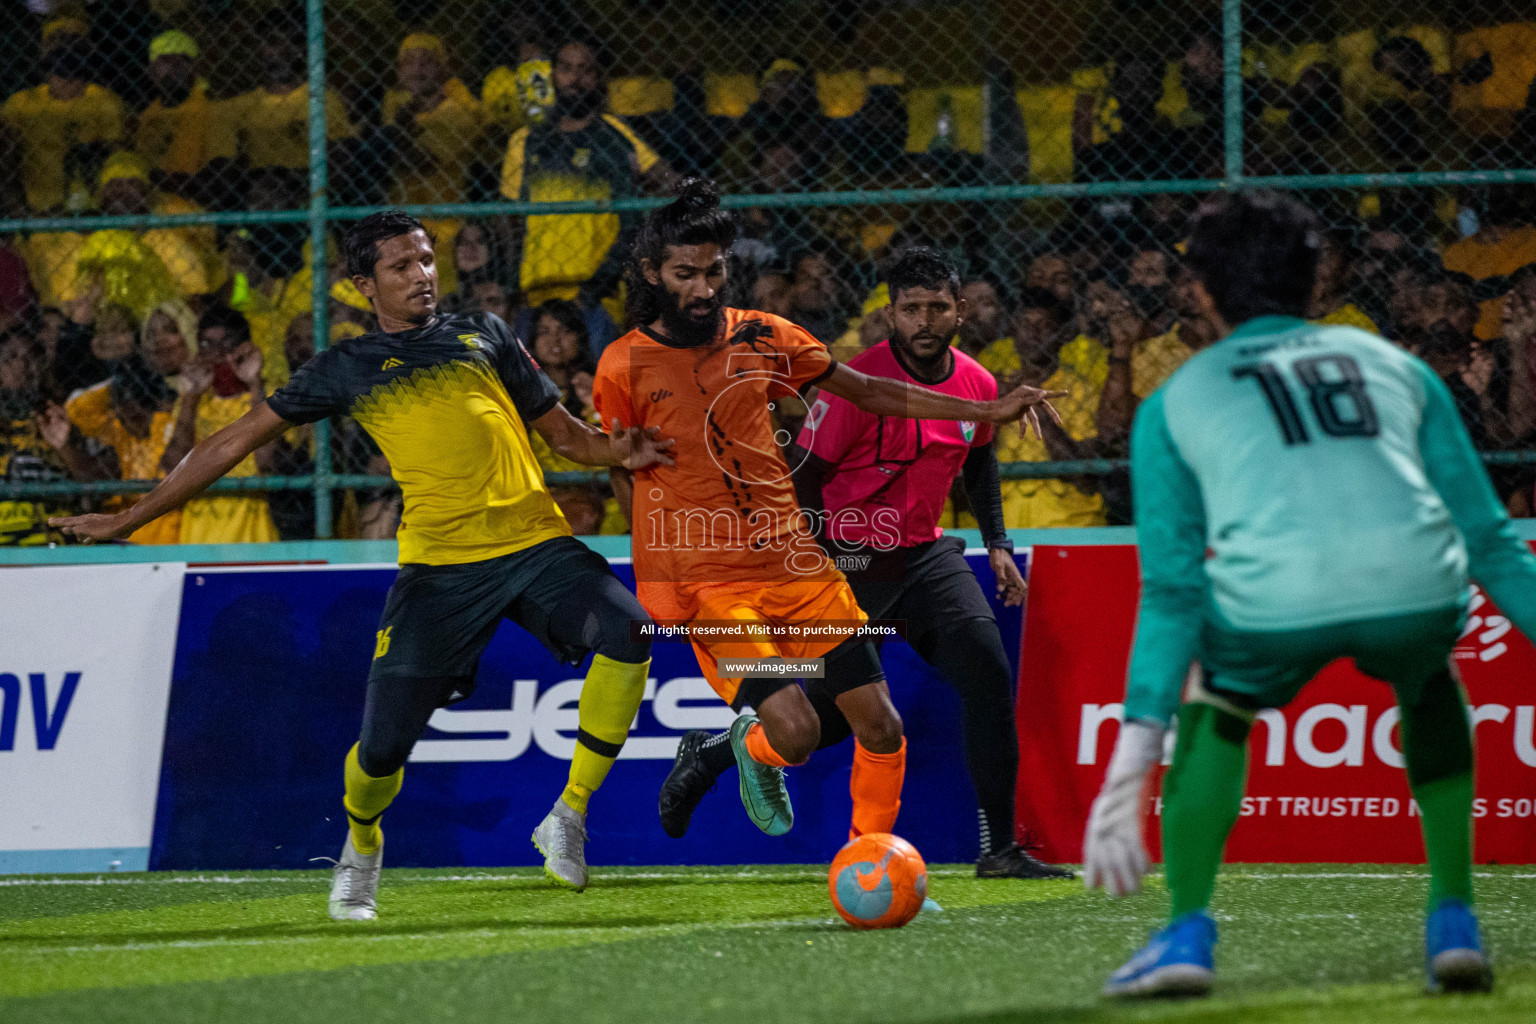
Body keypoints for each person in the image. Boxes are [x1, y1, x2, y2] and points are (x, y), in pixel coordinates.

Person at [51, 210, 674, 918]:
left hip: (535, 545)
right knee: (380, 752)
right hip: (439, 571)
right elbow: (232, 442)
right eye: (402, 266)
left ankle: (568, 813)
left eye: (427, 260)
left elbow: (566, 437)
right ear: (362, 284)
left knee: (631, 636)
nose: (423, 276)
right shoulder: (346, 367)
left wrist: (619, 450)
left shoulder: (485, 334)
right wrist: (132, 516)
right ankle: (362, 845)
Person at [1081, 190, 1534, 997]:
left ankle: (1187, 931)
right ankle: (1454, 918)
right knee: (1429, 680)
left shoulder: (1175, 401)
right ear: (1316, 278)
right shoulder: (1399, 366)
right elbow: (1493, 541)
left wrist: (1133, 755)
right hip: (1416, 587)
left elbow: (1175, 589)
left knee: (1215, 701)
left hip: (1272, 604)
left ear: (1204, 292)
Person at [593, 179, 1060, 848]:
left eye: (715, 271)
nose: (703, 288)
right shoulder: (623, 364)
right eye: (685, 274)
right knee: (800, 730)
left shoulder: (763, 334)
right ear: (651, 273)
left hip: (796, 566)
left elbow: (868, 391)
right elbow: (621, 465)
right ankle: (730, 753)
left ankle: (870, 863)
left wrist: (987, 410)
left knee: (881, 725)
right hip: (710, 583)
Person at [500, 37, 674, 310]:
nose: (575, 79)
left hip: (598, 292)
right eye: (566, 69)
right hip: (536, 289)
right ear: (552, 75)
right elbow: (510, 223)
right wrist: (511, 286)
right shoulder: (524, 140)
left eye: (586, 70)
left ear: (598, 78)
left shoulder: (614, 134)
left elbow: (667, 180)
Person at [1, 17, 124, 213]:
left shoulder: (105, 102)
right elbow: (5, 163)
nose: (65, 45)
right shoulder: (21, 104)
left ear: (88, 48)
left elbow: (119, 161)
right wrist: (20, 211)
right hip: (38, 214)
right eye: (57, 39)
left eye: (74, 39)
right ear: (43, 50)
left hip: (92, 214)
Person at [133, 31, 223, 207]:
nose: (173, 68)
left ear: (195, 67)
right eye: (165, 61)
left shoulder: (211, 105)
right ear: (151, 70)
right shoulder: (149, 115)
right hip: (155, 209)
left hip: (197, 208)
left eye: (181, 60)